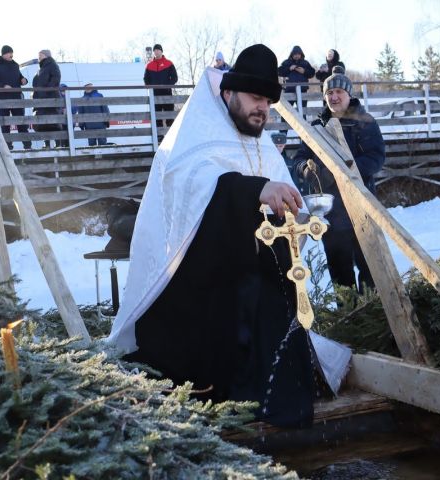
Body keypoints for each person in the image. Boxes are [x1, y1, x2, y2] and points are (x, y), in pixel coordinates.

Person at [108, 44, 351, 428]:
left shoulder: (260, 140)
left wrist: (296, 212)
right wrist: (253, 190)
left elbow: (282, 194)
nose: (262, 109)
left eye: (268, 102)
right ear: (228, 93)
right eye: (255, 98)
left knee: (274, 312)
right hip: (194, 286)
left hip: (252, 278)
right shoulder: (194, 134)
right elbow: (190, 189)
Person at [293, 68, 385, 293]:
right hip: (331, 211)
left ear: (349, 94)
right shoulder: (316, 127)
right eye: (329, 93)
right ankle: (348, 317)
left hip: (361, 206)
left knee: (369, 266)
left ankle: (372, 313)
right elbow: (299, 159)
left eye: (338, 92)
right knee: (339, 269)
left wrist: (344, 171)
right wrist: (307, 170)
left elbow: (376, 157)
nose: (334, 97)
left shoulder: (365, 122)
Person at [0, 45, 31, 150]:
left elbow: (19, 77)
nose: (11, 55)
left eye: (12, 53)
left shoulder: (15, 65)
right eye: (9, 53)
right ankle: (7, 147)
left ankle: (27, 145)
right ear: (4, 54)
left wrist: (24, 80)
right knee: (4, 123)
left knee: (21, 122)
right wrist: (3, 86)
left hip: (17, 98)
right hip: (3, 98)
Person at [143, 43, 178, 135]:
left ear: (161, 51)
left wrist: (167, 86)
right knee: (157, 117)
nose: (156, 52)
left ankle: (172, 136)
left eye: (158, 50)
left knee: (170, 116)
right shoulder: (149, 65)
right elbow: (146, 79)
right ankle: (159, 137)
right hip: (155, 95)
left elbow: (174, 78)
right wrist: (151, 88)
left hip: (167, 94)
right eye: (155, 50)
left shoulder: (169, 63)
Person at [32, 49, 62, 146]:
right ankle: (46, 143)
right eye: (38, 55)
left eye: (41, 55)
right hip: (41, 101)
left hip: (51, 98)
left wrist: (47, 90)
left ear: (46, 56)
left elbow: (56, 78)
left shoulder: (52, 65)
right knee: (43, 123)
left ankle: (58, 143)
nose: (39, 57)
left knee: (54, 122)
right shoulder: (40, 69)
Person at [277, 45, 315, 112]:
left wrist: (304, 71)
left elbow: (312, 73)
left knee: (303, 112)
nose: (296, 55)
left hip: (302, 90)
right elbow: (279, 71)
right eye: (295, 54)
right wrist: (289, 68)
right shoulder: (286, 62)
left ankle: (302, 122)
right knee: (287, 111)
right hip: (289, 90)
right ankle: (284, 123)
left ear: (301, 54)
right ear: (292, 55)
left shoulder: (305, 63)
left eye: (298, 54)